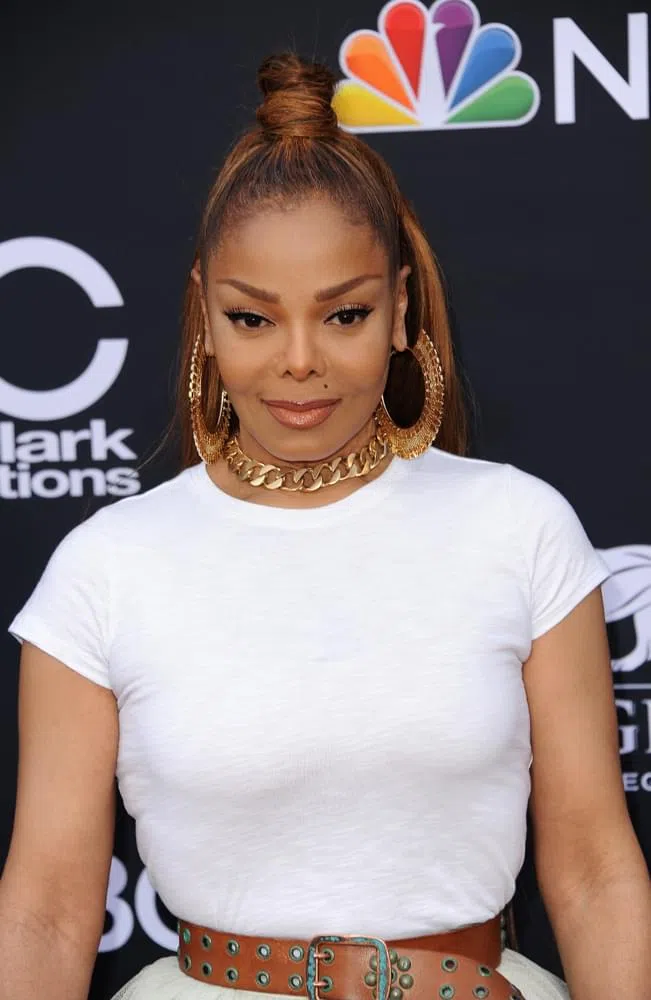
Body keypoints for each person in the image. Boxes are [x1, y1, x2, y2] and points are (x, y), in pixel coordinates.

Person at [1, 51, 649, 1000]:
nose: (299, 360)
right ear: (205, 312)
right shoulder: (106, 567)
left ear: (398, 309)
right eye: (252, 319)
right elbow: (49, 909)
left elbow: (594, 870)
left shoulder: (520, 529)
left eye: (344, 314)